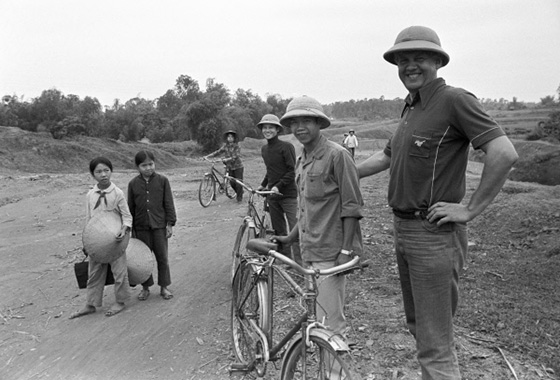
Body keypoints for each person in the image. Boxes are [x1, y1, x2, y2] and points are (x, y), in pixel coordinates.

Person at [357, 26, 518, 379]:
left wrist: (470, 209)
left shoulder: (455, 100)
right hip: (404, 229)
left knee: (434, 346)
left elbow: (503, 153)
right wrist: (341, 173)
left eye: (419, 58)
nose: (409, 66)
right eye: (402, 60)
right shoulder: (411, 109)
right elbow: (384, 159)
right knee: (422, 329)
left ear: (437, 62)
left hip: (433, 235)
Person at [275, 96, 363, 337]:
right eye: (294, 122)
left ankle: (336, 373)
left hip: (330, 254)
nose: (299, 128)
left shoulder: (338, 156)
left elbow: (352, 206)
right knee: (317, 318)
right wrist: (289, 238)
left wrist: (345, 253)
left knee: (331, 326)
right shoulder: (301, 158)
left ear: (319, 123)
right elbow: (306, 208)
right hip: (308, 251)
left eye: (306, 121)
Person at [69, 156, 132, 319]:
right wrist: (87, 242)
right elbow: (89, 218)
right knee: (94, 272)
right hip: (96, 241)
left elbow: (127, 216)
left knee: (120, 272)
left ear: (111, 171)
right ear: (92, 174)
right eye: (98, 171)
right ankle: (90, 304)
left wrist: (123, 230)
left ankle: (120, 301)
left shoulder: (117, 193)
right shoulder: (90, 194)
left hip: (115, 240)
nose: (103, 174)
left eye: (106, 170)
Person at [128, 150, 177, 301]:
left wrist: (170, 224)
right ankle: (145, 287)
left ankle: (164, 286)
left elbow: (168, 203)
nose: (148, 168)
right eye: (144, 165)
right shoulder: (133, 184)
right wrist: (130, 228)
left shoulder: (163, 181)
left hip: (159, 227)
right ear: (137, 167)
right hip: (140, 227)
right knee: (143, 259)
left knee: (162, 258)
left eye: (151, 164)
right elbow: (130, 207)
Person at [256, 114, 302, 266]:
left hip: (288, 194)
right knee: (279, 230)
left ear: (277, 129)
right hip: (273, 196)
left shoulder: (286, 147)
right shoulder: (264, 149)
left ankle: (300, 264)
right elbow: (270, 171)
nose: (267, 130)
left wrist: (277, 186)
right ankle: (286, 260)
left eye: (271, 127)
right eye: (265, 127)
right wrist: (264, 185)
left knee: (295, 229)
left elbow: (290, 171)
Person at [204, 130, 244, 202]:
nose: (230, 138)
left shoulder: (237, 146)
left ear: (234, 138)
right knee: (232, 183)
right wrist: (208, 156)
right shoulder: (225, 146)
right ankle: (239, 192)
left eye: (232, 137)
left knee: (238, 182)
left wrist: (227, 159)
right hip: (230, 167)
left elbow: (235, 156)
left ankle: (239, 198)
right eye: (228, 136)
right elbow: (217, 152)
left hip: (238, 166)